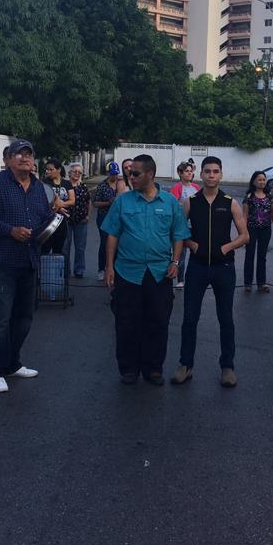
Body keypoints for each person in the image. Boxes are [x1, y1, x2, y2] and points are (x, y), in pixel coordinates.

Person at [102, 154, 190, 385]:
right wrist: (109, 266)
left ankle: (153, 368)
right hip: (127, 272)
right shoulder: (123, 201)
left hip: (159, 273)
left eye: (135, 173)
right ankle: (129, 368)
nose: (131, 177)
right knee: (127, 321)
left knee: (158, 321)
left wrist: (176, 262)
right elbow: (112, 234)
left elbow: (179, 234)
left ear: (150, 174)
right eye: (129, 173)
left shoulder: (170, 202)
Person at [0, 139, 52, 393]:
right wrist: (10, 231)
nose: (25, 159)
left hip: (29, 260)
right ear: (9, 159)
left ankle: (12, 362)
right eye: (19, 154)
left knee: (25, 317)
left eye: (29, 155)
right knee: (1, 318)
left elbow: (42, 217)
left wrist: (53, 224)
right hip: (0, 260)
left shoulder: (39, 187)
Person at [173, 156, 248, 387]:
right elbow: (177, 231)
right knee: (189, 319)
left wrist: (226, 247)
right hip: (196, 267)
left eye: (216, 171)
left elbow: (245, 236)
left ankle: (227, 367)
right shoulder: (191, 202)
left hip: (223, 268)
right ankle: (186, 365)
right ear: (201, 175)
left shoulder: (230, 202)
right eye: (207, 171)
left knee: (225, 319)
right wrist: (190, 244)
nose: (211, 175)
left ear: (221, 174)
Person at [241, 170, 273, 293]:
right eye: (259, 180)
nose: (262, 182)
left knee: (262, 256)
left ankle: (261, 283)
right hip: (251, 228)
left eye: (264, 179)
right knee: (249, 255)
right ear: (254, 182)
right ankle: (248, 283)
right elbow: (244, 215)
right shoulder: (249, 197)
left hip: (265, 229)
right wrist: (243, 231)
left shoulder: (269, 196)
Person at [168, 161, 200, 289]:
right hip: (182, 225)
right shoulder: (177, 187)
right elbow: (171, 205)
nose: (190, 173)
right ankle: (180, 279)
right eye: (187, 171)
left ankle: (194, 278)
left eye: (191, 171)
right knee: (180, 254)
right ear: (180, 173)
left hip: (195, 225)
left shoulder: (196, 187)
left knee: (196, 253)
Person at [92, 161, 125, 281]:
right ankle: (101, 269)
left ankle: (115, 268)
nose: (114, 176)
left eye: (116, 174)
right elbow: (95, 202)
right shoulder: (102, 186)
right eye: (112, 174)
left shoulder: (121, 184)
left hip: (118, 218)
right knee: (105, 242)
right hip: (104, 216)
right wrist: (107, 203)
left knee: (117, 243)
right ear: (107, 173)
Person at [42, 158, 73, 261]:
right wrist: (57, 207)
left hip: (63, 221)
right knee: (45, 249)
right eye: (47, 169)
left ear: (59, 170)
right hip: (48, 221)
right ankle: (43, 275)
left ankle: (62, 275)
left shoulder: (67, 183)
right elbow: (42, 201)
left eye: (51, 169)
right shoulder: (44, 183)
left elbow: (72, 200)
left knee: (61, 251)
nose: (48, 172)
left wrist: (60, 205)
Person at [67, 162, 91, 278]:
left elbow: (88, 202)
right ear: (69, 173)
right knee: (65, 247)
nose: (77, 174)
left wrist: (88, 216)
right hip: (66, 221)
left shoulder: (83, 187)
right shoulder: (65, 185)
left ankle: (79, 270)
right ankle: (66, 270)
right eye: (74, 171)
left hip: (81, 221)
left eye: (79, 172)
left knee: (80, 247)